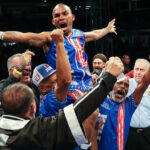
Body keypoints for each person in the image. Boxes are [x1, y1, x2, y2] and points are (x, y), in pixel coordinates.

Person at [0, 57, 124, 150]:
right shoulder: (48, 105)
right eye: (54, 82)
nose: (58, 84)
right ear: (33, 107)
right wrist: (108, 77)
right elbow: (67, 84)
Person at [0, 3, 117, 97]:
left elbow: (95, 34)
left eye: (64, 14)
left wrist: (107, 29)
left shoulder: (79, 34)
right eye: (57, 16)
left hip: (86, 83)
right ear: (53, 22)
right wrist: (1, 35)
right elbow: (24, 36)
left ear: (72, 17)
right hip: (66, 88)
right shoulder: (49, 38)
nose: (61, 17)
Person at [96, 62, 150, 150]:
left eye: (126, 85)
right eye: (119, 83)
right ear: (112, 85)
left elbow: (144, 84)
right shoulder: (100, 100)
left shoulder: (129, 105)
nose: (123, 86)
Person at [32, 29, 72, 117]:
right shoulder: (50, 100)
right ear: (42, 88)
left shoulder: (45, 98)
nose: (59, 83)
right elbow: (65, 82)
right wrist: (59, 43)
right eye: (55, 82)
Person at [0, 50, 40, 116]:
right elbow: (3, 91)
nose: (28, 68)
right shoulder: (3, 85)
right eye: (23, 66)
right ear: (11, 71)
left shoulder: (34, 84)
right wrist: (19, 69)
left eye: (29, 64)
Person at [125, 59, 150, 150]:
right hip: (129, 133)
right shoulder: (125, 84)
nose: (138, 72)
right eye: (137, 69)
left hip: (148, 133)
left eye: (142, 70)